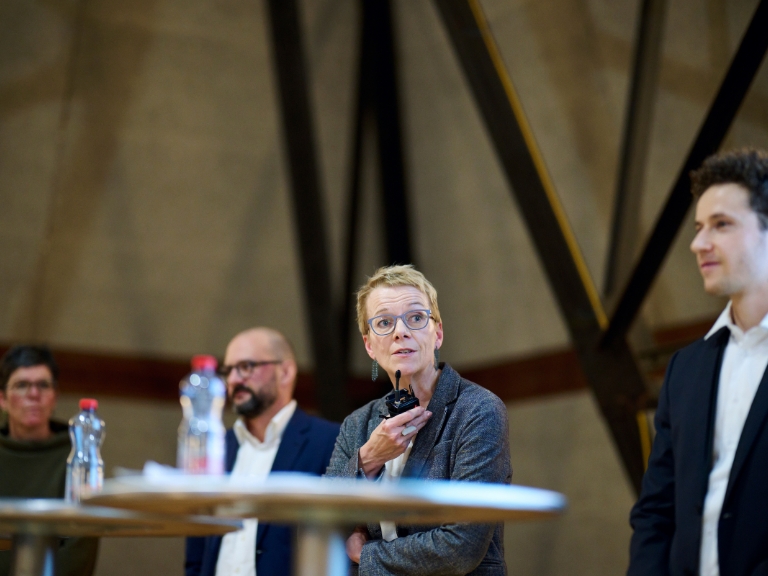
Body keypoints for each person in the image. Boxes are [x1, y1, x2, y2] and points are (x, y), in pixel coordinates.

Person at [628, 148, 768, 576]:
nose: (698, 243)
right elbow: (656, 511)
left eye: (721, 225)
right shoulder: (685, 370)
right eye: (698, 227)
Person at [325, 264, 512, 575]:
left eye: (415, 318)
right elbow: (320, 525)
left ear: (437, 333)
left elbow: (460, 548)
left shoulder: (479, 410)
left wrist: (366, 555)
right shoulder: (357, 424)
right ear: (369, 345)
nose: (401, 331)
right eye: (384, 322)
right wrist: (368, 458)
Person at [185, 327, 340, 576]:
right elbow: (197, 550)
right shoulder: (218, 446)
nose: (234, 379)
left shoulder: (331, 441)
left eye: (246, 366)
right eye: (228, 371)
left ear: (286, 371)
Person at [0, 345, 99, 576]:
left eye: (43, 385)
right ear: (2, 399)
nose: (33, 394)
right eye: (22, 385)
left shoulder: (80, 456)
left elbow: (80, 551)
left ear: (55, 396)